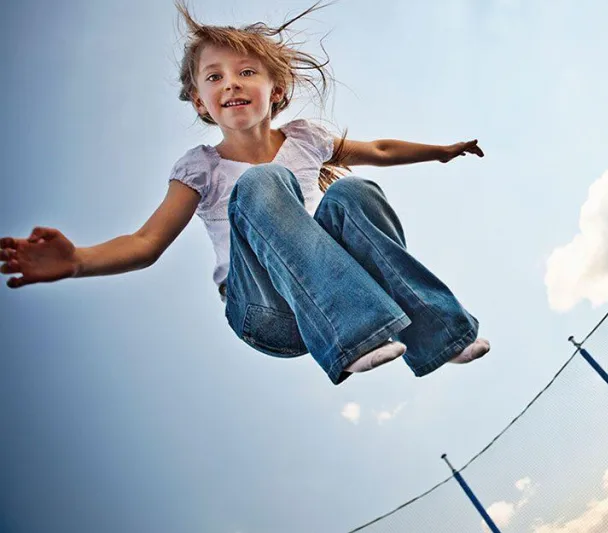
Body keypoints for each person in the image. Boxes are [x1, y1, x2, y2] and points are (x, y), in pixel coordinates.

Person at [0, 1, 490, 385]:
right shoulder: (202, 168)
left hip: (336, 286)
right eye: (214, 77)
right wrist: (78, 260)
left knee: (353, 193)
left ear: (276, 89)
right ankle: (353, 334)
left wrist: (440, 152)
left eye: (246, 72)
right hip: (265, 310)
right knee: (262, 183)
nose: (230, 84)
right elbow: (146, 243)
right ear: (200, 101)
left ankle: (440, 335)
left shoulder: (306, 138)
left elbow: (379, 149)